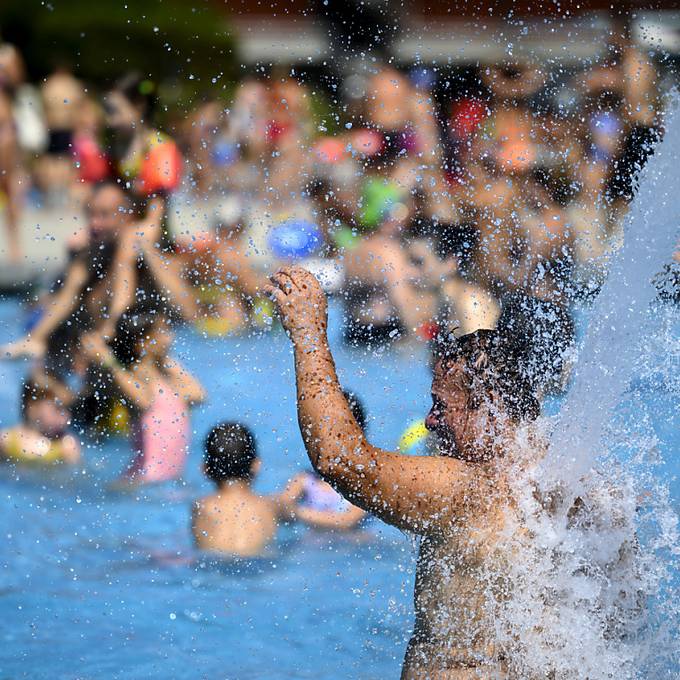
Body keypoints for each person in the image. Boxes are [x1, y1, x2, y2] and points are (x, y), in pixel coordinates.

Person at [266, 266, 544, 679]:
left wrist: (308, 333)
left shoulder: (467, 489)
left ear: (487, 409)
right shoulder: (570, 485)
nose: (430, 422)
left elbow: (340, 460)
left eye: (440, 405)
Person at [81, 312, 204, 484]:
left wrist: (163, 359)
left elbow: (199, 394)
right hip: (143, 479)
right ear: (142, 343)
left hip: (167, 479)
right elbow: (143, 401)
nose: (171, 336)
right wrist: (108, 360)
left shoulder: (165, 374)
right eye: (162, 331)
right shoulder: (130, 375)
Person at [192, 422, 289, 557]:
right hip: (261, 566)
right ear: (256, 465)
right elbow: (297, 514)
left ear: (206, 469)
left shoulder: (201, 506)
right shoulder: (271, 505)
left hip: (214, 569)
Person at [278, 390, 367, 531]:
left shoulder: (364, 483)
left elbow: (347, 521)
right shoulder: (306, 479)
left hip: (355, 544)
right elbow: (281, 506)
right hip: (311, 547)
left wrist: (298, 512)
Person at [0, 379, 80, 465]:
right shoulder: (6, 441)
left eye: (69, 409)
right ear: (33, 407)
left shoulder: (66, 445)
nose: (67, 417)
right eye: (58, 409)